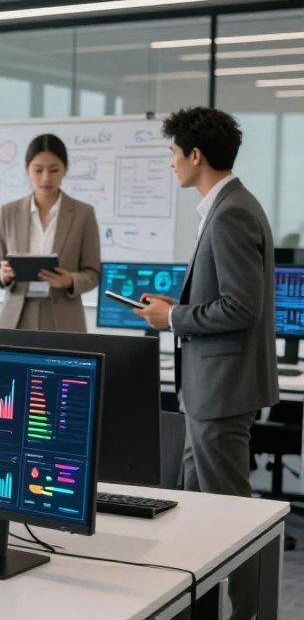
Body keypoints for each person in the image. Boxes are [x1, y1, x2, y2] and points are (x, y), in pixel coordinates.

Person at [134, 107, 277, 620]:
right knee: (197, 513)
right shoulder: (226, 205)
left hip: (221, 390)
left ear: (196, 155)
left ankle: (251, 614)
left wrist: (173, 318)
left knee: (228, 519)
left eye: (174, 153)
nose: (171, 163)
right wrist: (173, 313)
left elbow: (242, 306)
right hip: (210, 388)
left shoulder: (232, 210)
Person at [0, 134, 101, 332]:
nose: (46, 177)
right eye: (38, 170)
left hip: (63, 316)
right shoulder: (8, 212)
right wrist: (3, 275)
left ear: (65, 169)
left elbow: (93, 273)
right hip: (17, 316)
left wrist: (71, 280)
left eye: (54, 169)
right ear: (27, 170)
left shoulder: (83, 214)